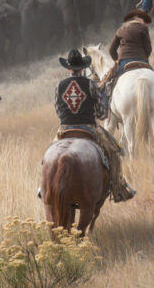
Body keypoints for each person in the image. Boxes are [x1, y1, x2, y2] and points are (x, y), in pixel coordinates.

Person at [54, 49, 135, 202]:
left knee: (47, 157)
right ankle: (118, 189)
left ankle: (43, 188)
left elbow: (58, 111)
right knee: (114, 153)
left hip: (64, 129)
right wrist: (95, 114)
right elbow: (102, 113)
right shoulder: (91, 85)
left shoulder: (59, 86)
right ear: (83, 68)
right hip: (89, 128)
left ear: (68, 69)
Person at [98, 10, 153, 98]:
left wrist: (117, 60)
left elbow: (111, 50)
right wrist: (144, 58)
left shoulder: (121, 30)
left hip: (124, 62)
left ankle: (105, 105)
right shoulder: (143, 28)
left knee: (107, 84)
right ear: (137, 19)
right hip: (142, 61)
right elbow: (148, 48)